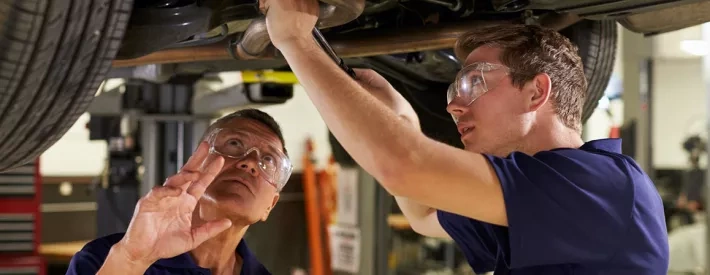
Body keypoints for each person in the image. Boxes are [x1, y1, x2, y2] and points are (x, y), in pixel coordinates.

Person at [262, 0, 669, 274]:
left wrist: (295, 39)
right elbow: (423, 214)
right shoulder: (544, 196)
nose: (454, 106)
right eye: (455, 88)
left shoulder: (603, 186)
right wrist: (401, 116)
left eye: (473, 83)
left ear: (536, 92)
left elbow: (405, 169)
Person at [66, 109, 291, 275]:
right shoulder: (103, 260)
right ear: (197, 162)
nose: (250, 162)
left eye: (269, 159)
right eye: (234, 144)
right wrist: (132, 260)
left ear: (270, 205)